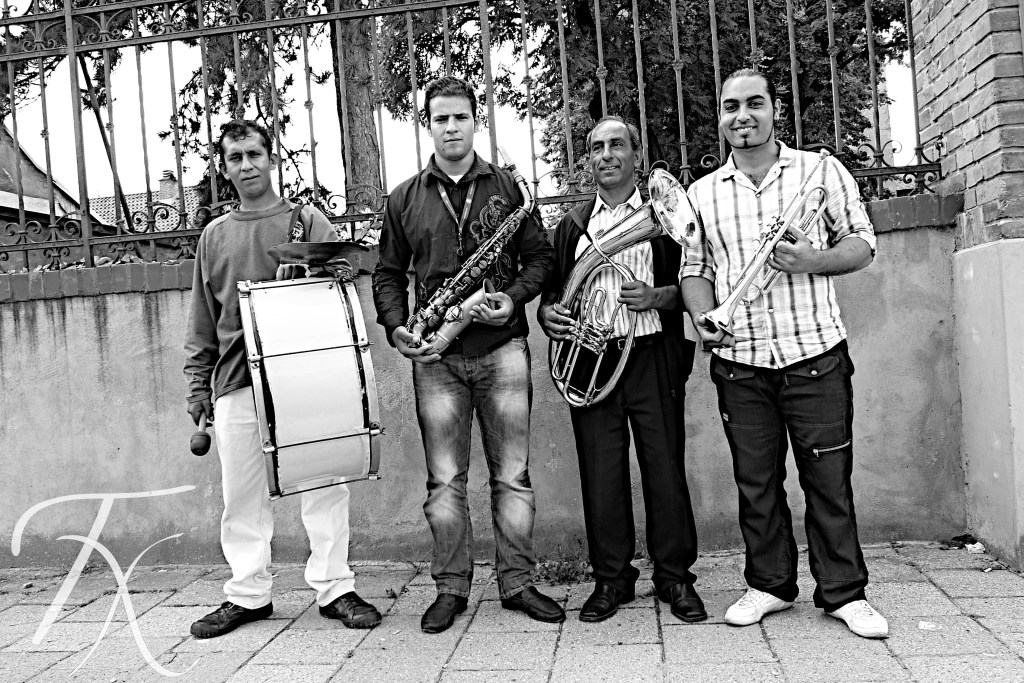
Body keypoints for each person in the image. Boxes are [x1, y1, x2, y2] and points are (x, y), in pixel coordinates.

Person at [680, 68, 887, 638]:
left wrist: (812, 260)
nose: (742, 116)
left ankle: (844, 593)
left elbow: (863, 243)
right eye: (730, 106)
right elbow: (695, 270)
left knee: (829, 481)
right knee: (756, 484)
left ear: (775, 110)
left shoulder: (821, 171)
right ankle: (769, 585)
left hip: (814, 353)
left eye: (754, 103)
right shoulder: (703, 193)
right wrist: (704, 317)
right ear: (720, 116)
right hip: (741, 362)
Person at [372, 76, 562, 634]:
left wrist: (514, 298)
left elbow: (540, 260)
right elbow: (387, 273)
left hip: (503, 348)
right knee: (444, 482)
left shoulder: (508, 188)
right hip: (435, 356)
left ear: (475, 120)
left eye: (460, 117)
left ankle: (518, 584)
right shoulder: (404, 198)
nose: (451, 127)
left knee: (513, 476)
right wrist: (395, 326)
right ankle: (451, 589)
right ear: (427, 125)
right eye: (441, 118)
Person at [184, 119, 381, 638]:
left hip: (306, 374)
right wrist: (197, 385)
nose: (246, 165)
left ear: (271, 159)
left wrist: (317, 272)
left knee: (325, 482)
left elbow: (345, 277)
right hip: (235, 379)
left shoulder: (305, 220)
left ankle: (335, 588)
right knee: (241, 494)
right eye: (235, 157)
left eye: (254, 153)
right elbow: (203, 319)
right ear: (225, 169)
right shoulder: (214, 236)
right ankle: (248, 594)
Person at [538, 116, 706, 624]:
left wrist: (657, 296)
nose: (606, 154)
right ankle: (612, 579)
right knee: (601, 474)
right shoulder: (572, 226)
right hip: (592, 358)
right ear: (588, 160)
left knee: (665, 468)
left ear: (636, 155)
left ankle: (674, 577)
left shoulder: (667, 218)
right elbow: (554, 293)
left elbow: (695, 284)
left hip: (652, 353)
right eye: (596, 147)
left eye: (617, 145)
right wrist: (548, 314)